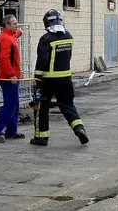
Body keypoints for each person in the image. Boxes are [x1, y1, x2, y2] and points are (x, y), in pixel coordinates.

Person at [30, 9, 89, 146]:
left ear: (47, 23)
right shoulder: (68, 36)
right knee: (68, 105)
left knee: (42, 107)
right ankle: (79, 128)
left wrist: (37, 79)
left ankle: (41, 137)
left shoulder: (46, 39)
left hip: (47, 80)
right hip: (66, 78)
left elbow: (42, 61)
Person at [0, 14, 25, 143]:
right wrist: (11, 74)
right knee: (9, 106)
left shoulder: (10, 36)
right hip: (8, 79)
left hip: (12, 78)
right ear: (7, 25)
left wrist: (20, 32)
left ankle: (11, 131)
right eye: (14, 24)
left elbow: (15, 35)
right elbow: (4, 59)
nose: (17, 25)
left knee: (14, 106)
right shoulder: (5, 39)